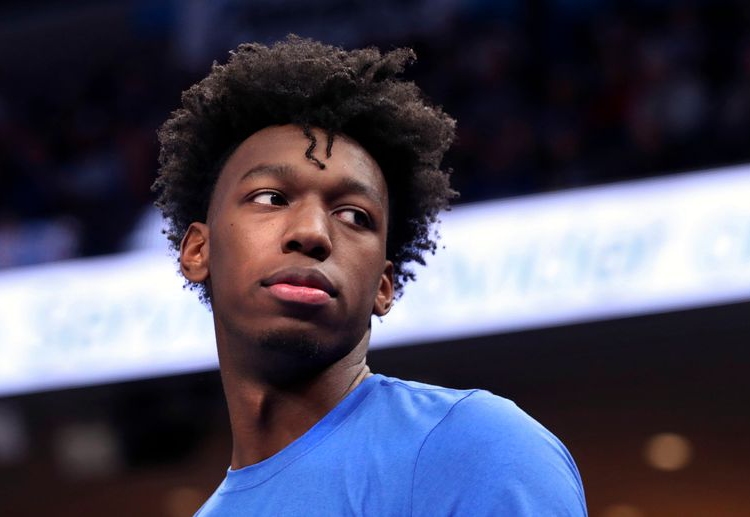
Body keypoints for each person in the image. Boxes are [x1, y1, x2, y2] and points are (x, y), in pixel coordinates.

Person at [152, 35, 587, 516]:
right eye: (272, 198)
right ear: (198, 250)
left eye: (354, 215)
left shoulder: (474, 447)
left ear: (383, 286)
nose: (312, 233)